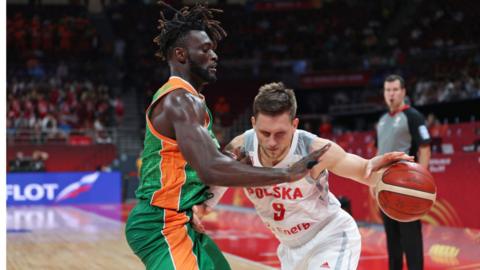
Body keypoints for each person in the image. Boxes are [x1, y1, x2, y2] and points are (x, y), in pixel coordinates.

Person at [124, 3, 326, 270]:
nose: (214, 56)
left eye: (214, 49)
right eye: (205, 49)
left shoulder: (190, 100)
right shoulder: (180, 100)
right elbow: (210, 169)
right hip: (160, 224)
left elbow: (202, 164)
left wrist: (230, 159)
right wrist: (287, 174)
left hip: (180, 221)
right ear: (181, 54)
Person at [195, 82, 413, 270]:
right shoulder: (242, 147)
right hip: (289, 248)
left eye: (280, 134)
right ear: (253, 124)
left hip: (330, 236)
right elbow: (218, 179)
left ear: (294, 125)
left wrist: (390, 177)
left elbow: (363, 171)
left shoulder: (314, 149)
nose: (271, 142)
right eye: (264, 133)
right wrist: (199, 210)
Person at [377, 74, 431, 270]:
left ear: (403, 92)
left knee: (411, 240)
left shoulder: (413, 116)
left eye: (395, 90)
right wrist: (373, 185)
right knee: (392, 241)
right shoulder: (382, 120)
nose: (391, 94)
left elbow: (425, 147)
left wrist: (420, 184)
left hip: (407, 189)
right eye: (387, 90)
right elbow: (378, 154)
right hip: (385, 188)